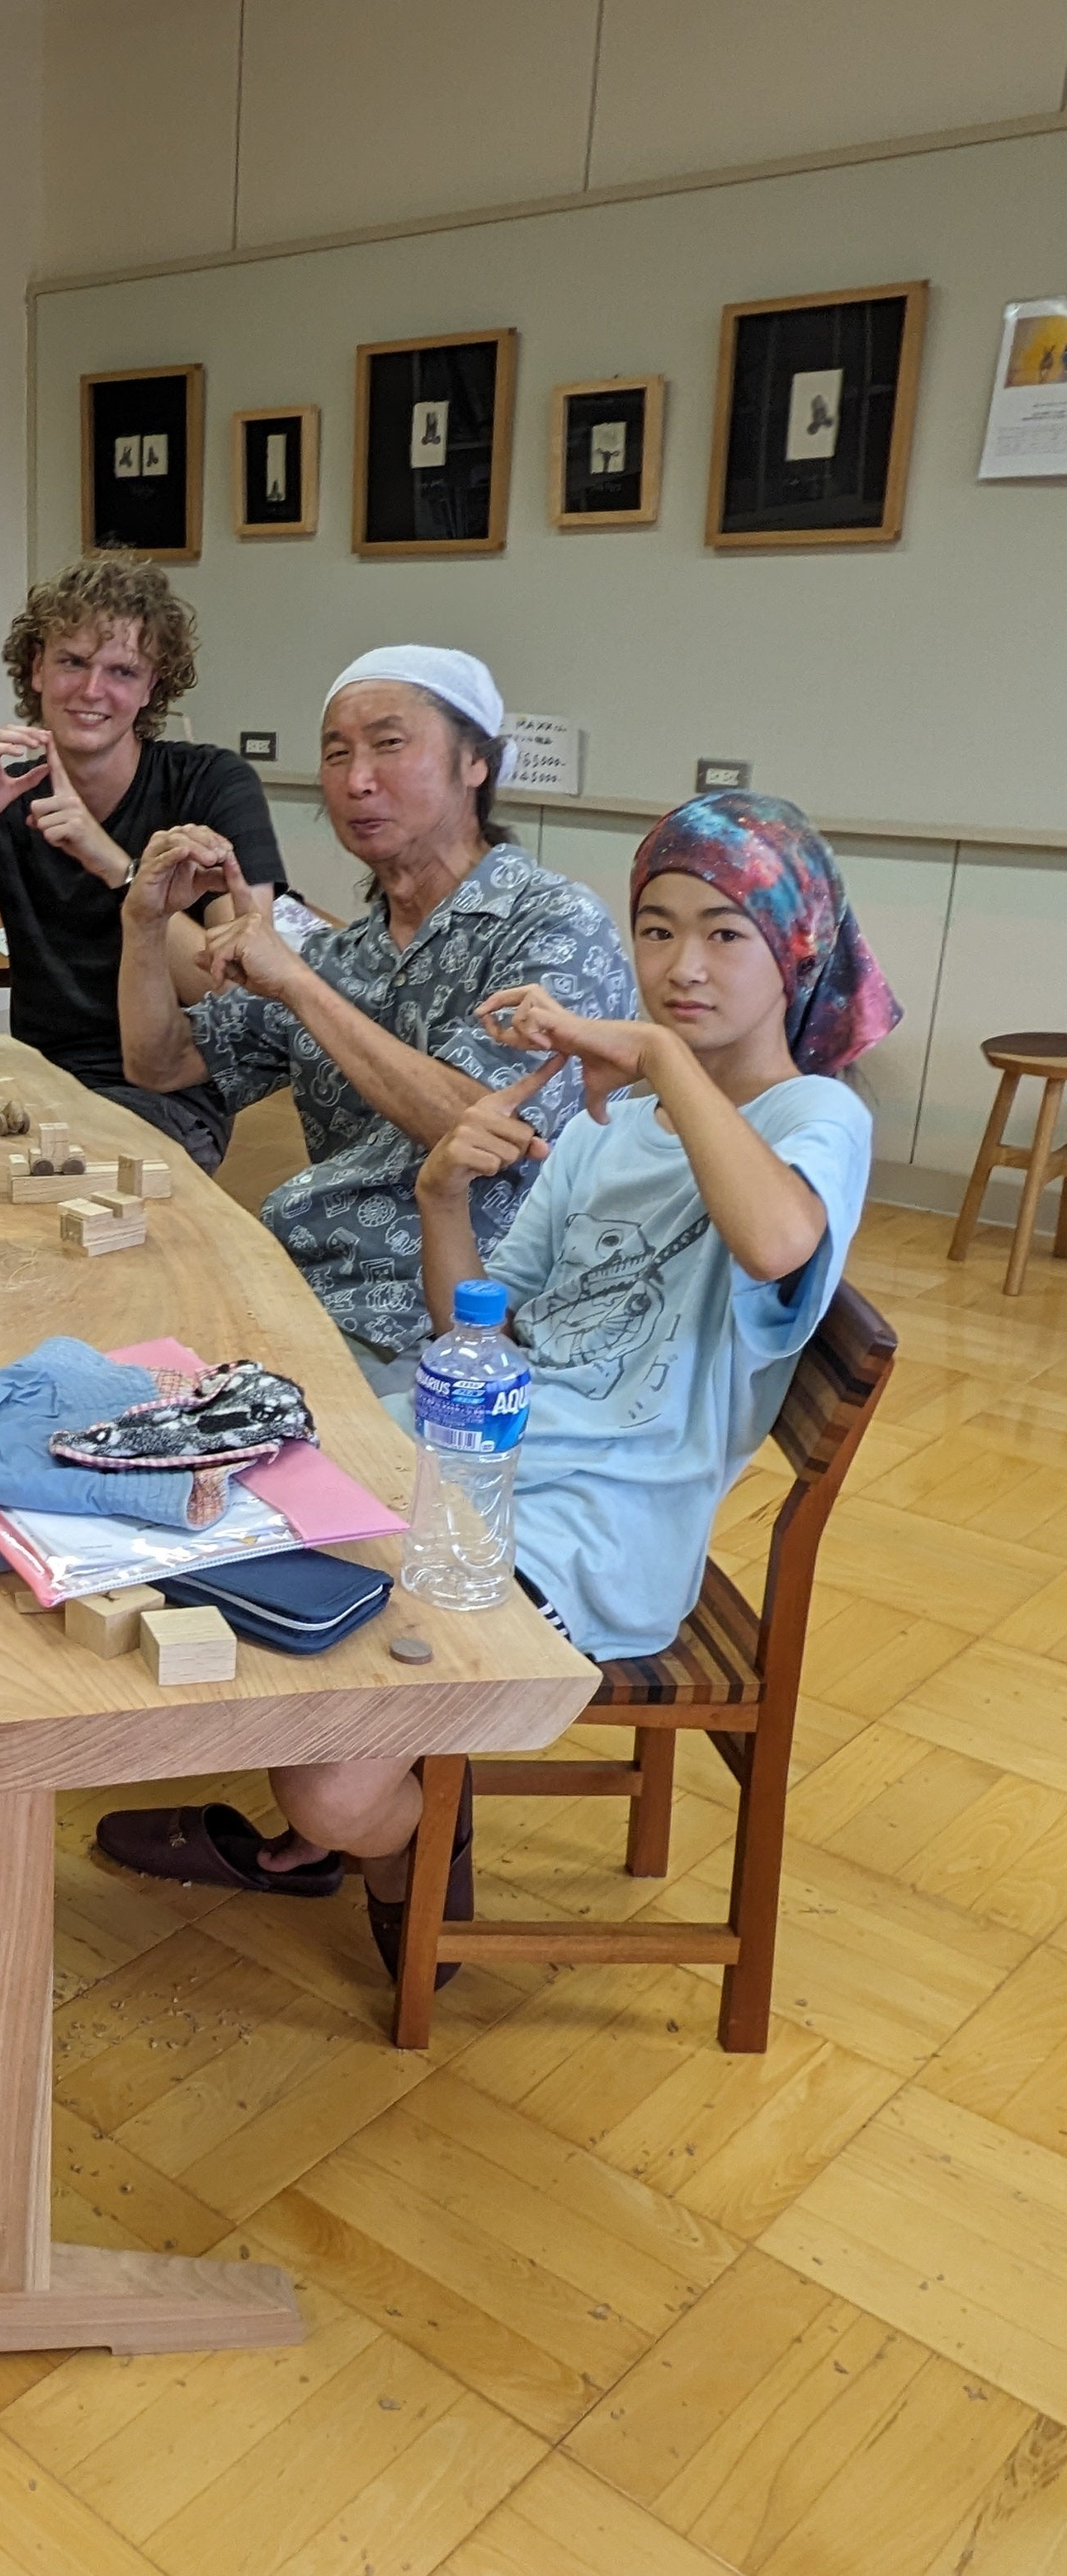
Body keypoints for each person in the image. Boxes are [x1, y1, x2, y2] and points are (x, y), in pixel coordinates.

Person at [102, 791, 892, 1961]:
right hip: (467, 1457)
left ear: (797, 951)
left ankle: (407, 1849)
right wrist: (441, 1196)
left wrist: (659, 1056)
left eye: (726, 933)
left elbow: (778, 1243)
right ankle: (390, 1790)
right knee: (198, 1537)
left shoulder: (815, 1115)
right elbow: (477, 1332)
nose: (682, 965)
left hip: (596, 1527)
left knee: (325, 1780)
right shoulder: (611, 1130)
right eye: (658, 929)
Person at [117, 643, 635, 1374]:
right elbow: (160, 1063)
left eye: (389, 745)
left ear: (476, 763)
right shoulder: (345, 953)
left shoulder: (553, 924)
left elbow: (479, 1127)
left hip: (459, 1327)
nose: (357, 780)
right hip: (306, 1282)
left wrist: (300, 986)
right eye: (336, 755)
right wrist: (143, 922)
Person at [0, 555, 283, 1167]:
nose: (91, 690)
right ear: (37, 669)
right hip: (41, 1085)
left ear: (151, 686)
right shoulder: (8, 799)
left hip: (167, 1093)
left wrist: (113, 866)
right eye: (73, 662)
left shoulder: (213, 784)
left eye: (122, 671)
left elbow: (241, 991)